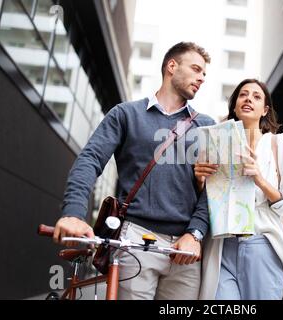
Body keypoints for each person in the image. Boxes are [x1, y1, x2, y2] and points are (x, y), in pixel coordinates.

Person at [52, 42, 216, 300]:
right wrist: (73, 213)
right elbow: (90, 159)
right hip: (135, 240)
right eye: (196, 69)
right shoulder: (126, 114)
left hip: (185, 250)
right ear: (172, 66)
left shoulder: (207, 126)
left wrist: (195, 233)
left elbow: (217, 188)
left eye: (204, 74)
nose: (201, 78)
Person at [195, 79, 283, 300]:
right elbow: (207, 201)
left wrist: (260, 180)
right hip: (221, 247)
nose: (248, 99)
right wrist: (199, 180)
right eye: (243, 95)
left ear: (265, 110)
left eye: (256, 96)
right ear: (234, 106)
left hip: (262, 245)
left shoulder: (279, 145)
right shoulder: (217, 143)